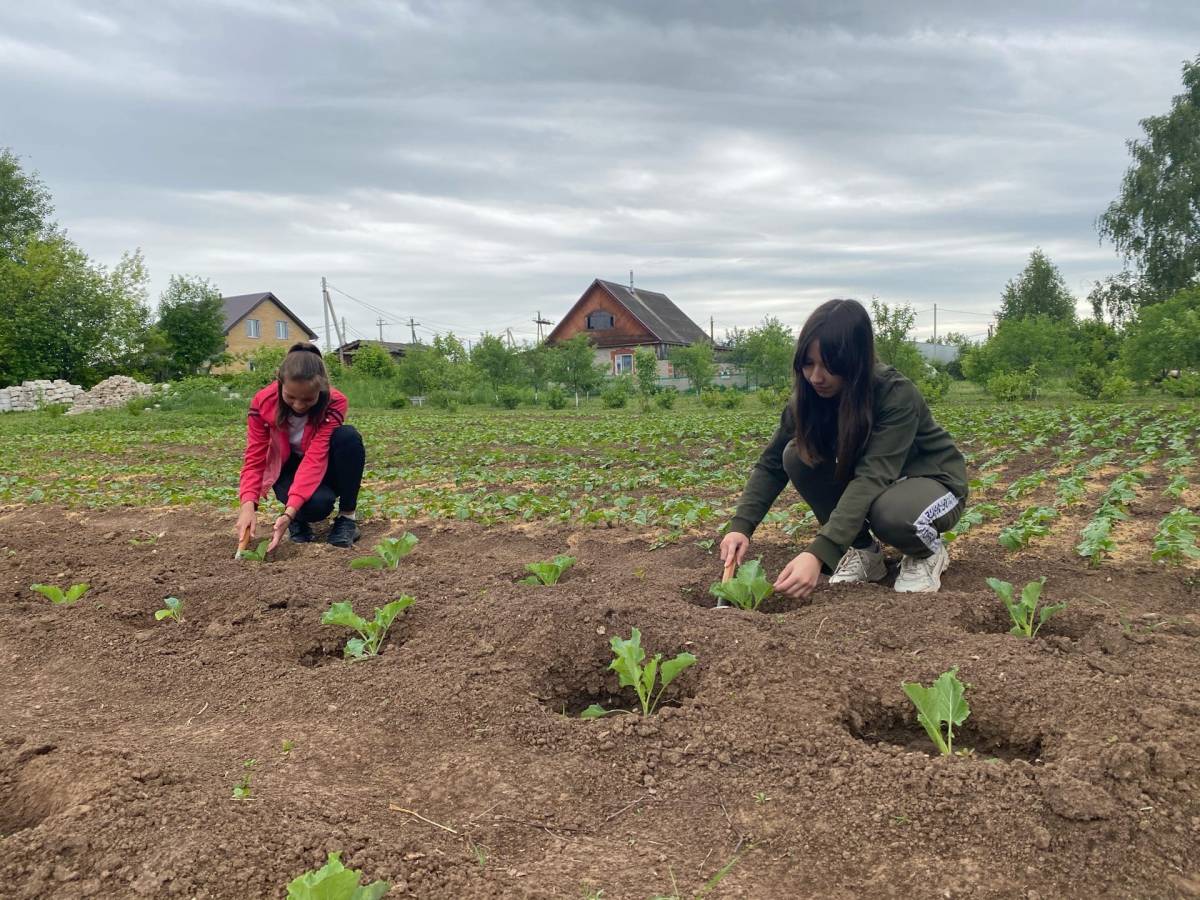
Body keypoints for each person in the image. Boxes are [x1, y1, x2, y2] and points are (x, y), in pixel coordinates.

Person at [720, 298, 967, 599]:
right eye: (808, 364)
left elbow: (873, 476)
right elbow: (771, 464)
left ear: (856, 361)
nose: (816, 377)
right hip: (880, 485)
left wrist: (819, 553)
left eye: (830, 366)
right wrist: (741, 526)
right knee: (796, 455)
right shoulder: (808, 397)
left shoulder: (894, 394)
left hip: (933, 482)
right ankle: (864, 552)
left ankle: (926, 553)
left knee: (891, 513)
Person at [235, 342, 366, 551]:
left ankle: (347, 518)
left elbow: (315, 458)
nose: (298, 405)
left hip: (320, 463)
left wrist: (288, 511)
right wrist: (248, 505)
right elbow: (255, 457)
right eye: (291, 397)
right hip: (287, 468)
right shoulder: (262, 402)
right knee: (316, 506)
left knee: (347, 437)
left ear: (321, 388)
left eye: (307, 399)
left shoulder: (335, 402)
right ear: (280, 382)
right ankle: (298, 520)